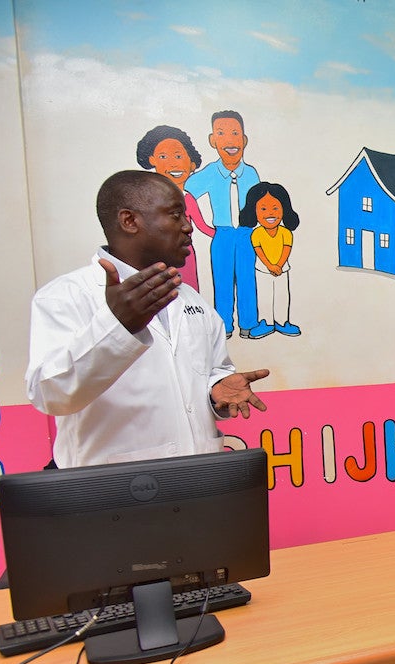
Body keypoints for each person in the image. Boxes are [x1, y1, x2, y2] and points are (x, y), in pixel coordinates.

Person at [25, 170, 269, 470]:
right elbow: (50, 395)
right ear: (130, 221)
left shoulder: (192, 300)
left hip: (196, 483)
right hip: (110, 493)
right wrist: (120, 326)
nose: (187, 227)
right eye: (175, 215)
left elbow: (209, 372)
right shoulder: (66, 296)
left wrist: (216, 391)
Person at [185, 110, 268, 339]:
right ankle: (224, 327)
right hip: (222, 234)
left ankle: (249, 325)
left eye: (235, 133)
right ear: (213, 140)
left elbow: (259, 203)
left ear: (244, 140)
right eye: (222, 133)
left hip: (246, 234)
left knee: (246, 279)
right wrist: (203, 227)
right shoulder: (210, 173)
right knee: (222, 281)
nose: (230, 140)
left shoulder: (250, 173)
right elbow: (188, 196)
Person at [135, 125, 214, 292]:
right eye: (163, 156)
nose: (173, 163)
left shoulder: (188, 198)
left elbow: (202, 226)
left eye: (179, 156)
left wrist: (223, 234)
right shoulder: (150, 200)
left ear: (192, 164)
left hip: (185, 255)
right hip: (156, 255)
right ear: (152, 160)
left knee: (189, 295)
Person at [239, 181, 302, 336]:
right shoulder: (257, 234)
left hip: (282, 269)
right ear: (254, 211)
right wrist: (270, 266)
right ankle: (265, 322)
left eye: (275, 208)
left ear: (284, 210)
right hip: (263, 270)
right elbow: (259, 251)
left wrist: (278, 265)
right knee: (264, 295)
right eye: (263, 209)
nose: (270, 213)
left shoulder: (286, 233)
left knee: (282, 295)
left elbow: (286, 249)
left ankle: (282, 322)